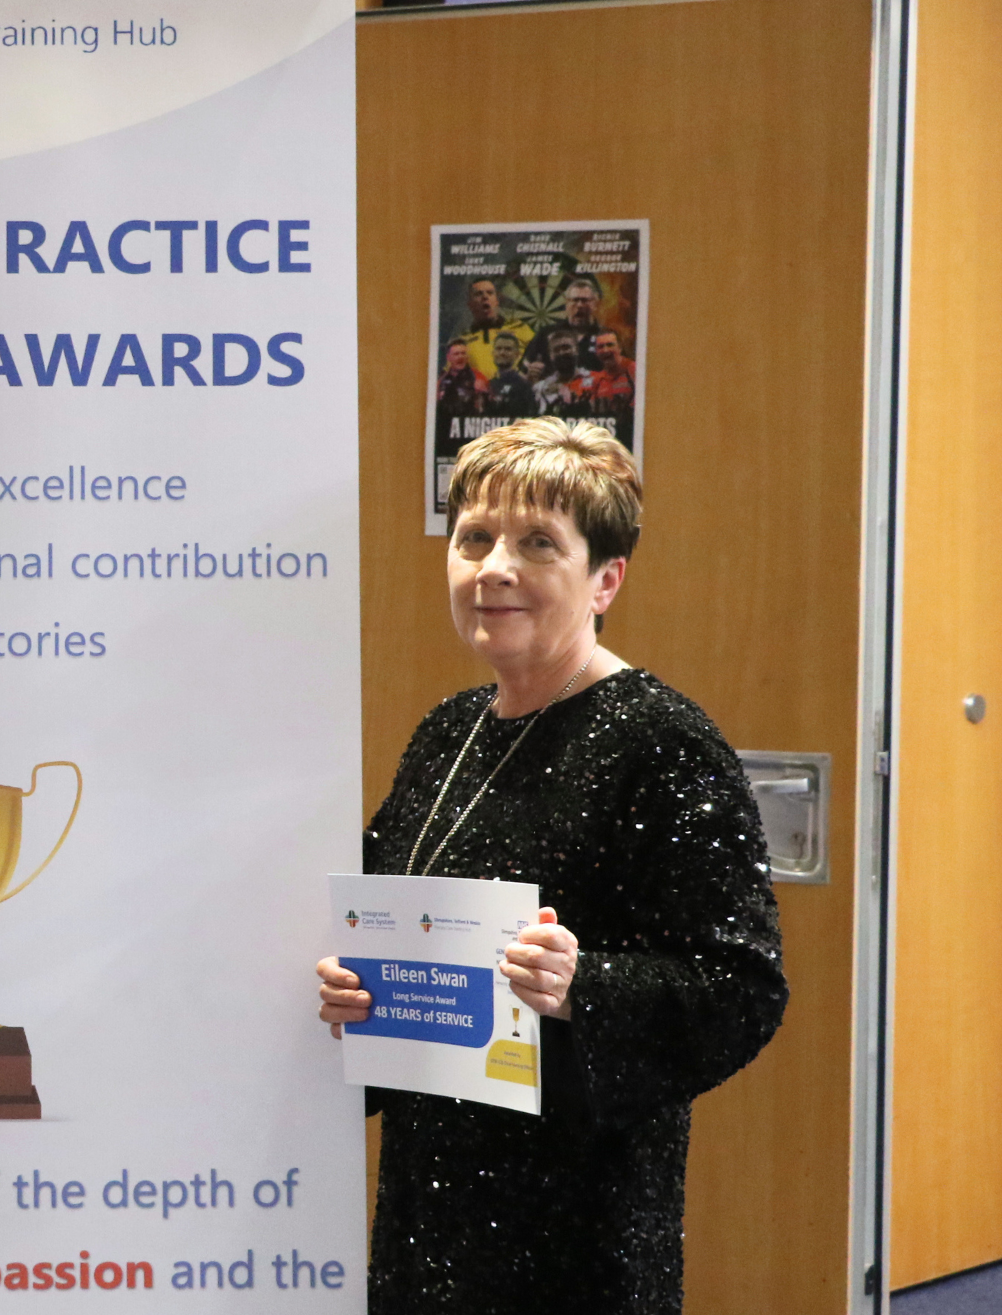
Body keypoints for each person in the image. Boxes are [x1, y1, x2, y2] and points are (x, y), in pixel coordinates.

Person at [316, 418, 785, 1314]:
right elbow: (378, 927)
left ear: (606, 578)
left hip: (579, 1225)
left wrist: (584, 986)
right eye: (474, 538)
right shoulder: (445, 733)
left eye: (537, 543)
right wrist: (350, 992)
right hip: (429, 1197)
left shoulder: (664, 742)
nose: (494, 567)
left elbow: (742, 987)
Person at [523, 273, 610, 374]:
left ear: (595, 303)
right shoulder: (545, 334)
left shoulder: (607, 336)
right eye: (575, 300)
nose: (580, 305)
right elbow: (524, 367)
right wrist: (531, 370)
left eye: (585, 300)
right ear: (566, 303)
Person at [456, 276, 535, 382]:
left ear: (496, 301)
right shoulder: (462, 341)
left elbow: (540, 357)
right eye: (478, 294)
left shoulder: (520, 328)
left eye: (490, 293)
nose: (485, 296)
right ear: (470, 304)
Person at [530, 325, 596, 413]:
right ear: (550, 356)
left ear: (576, 350)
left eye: (566, 347)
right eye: (556, 350)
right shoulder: (540, 388)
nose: (561, 353)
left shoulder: (594, 380)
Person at [481, 330, 534, 418]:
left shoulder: (524, 385)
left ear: (517, 354)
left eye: (508, 349)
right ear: (493, 353)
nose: (502, 353)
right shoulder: (488, 385)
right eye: (498, 349)